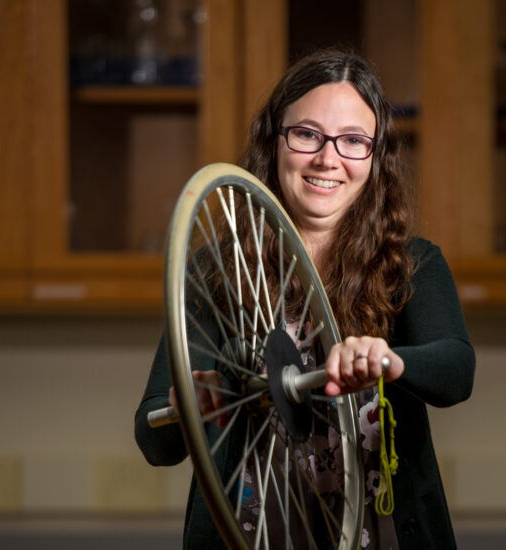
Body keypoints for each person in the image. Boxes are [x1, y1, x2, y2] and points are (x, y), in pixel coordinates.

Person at [135, 48, 475, 549]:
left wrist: (389, 361)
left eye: (353, 141)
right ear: (274, 139)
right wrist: (190, 408)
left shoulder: (411, 264)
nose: (327, 158)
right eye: (307, 134)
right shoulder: (218, 272)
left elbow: (456, 370)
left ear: (376, 156)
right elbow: (153, 439)